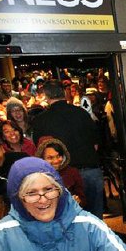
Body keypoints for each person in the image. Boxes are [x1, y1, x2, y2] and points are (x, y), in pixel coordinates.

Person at [31, 80, 105, 218]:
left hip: (65, 177)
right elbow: (96, 144)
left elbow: (40, 152)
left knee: (70, 221)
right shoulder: (81, 113)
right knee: (96, 221)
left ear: (46, 96)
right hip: (91, 171)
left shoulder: (41, 120)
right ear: (65, 93)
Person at [36, 137, 87, 207]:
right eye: (50, 158)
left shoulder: (72, 172)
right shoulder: (36, 176)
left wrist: (78, 200)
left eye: (58, 156)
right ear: (42, 159)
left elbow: (83, 199)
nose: (56, 161)